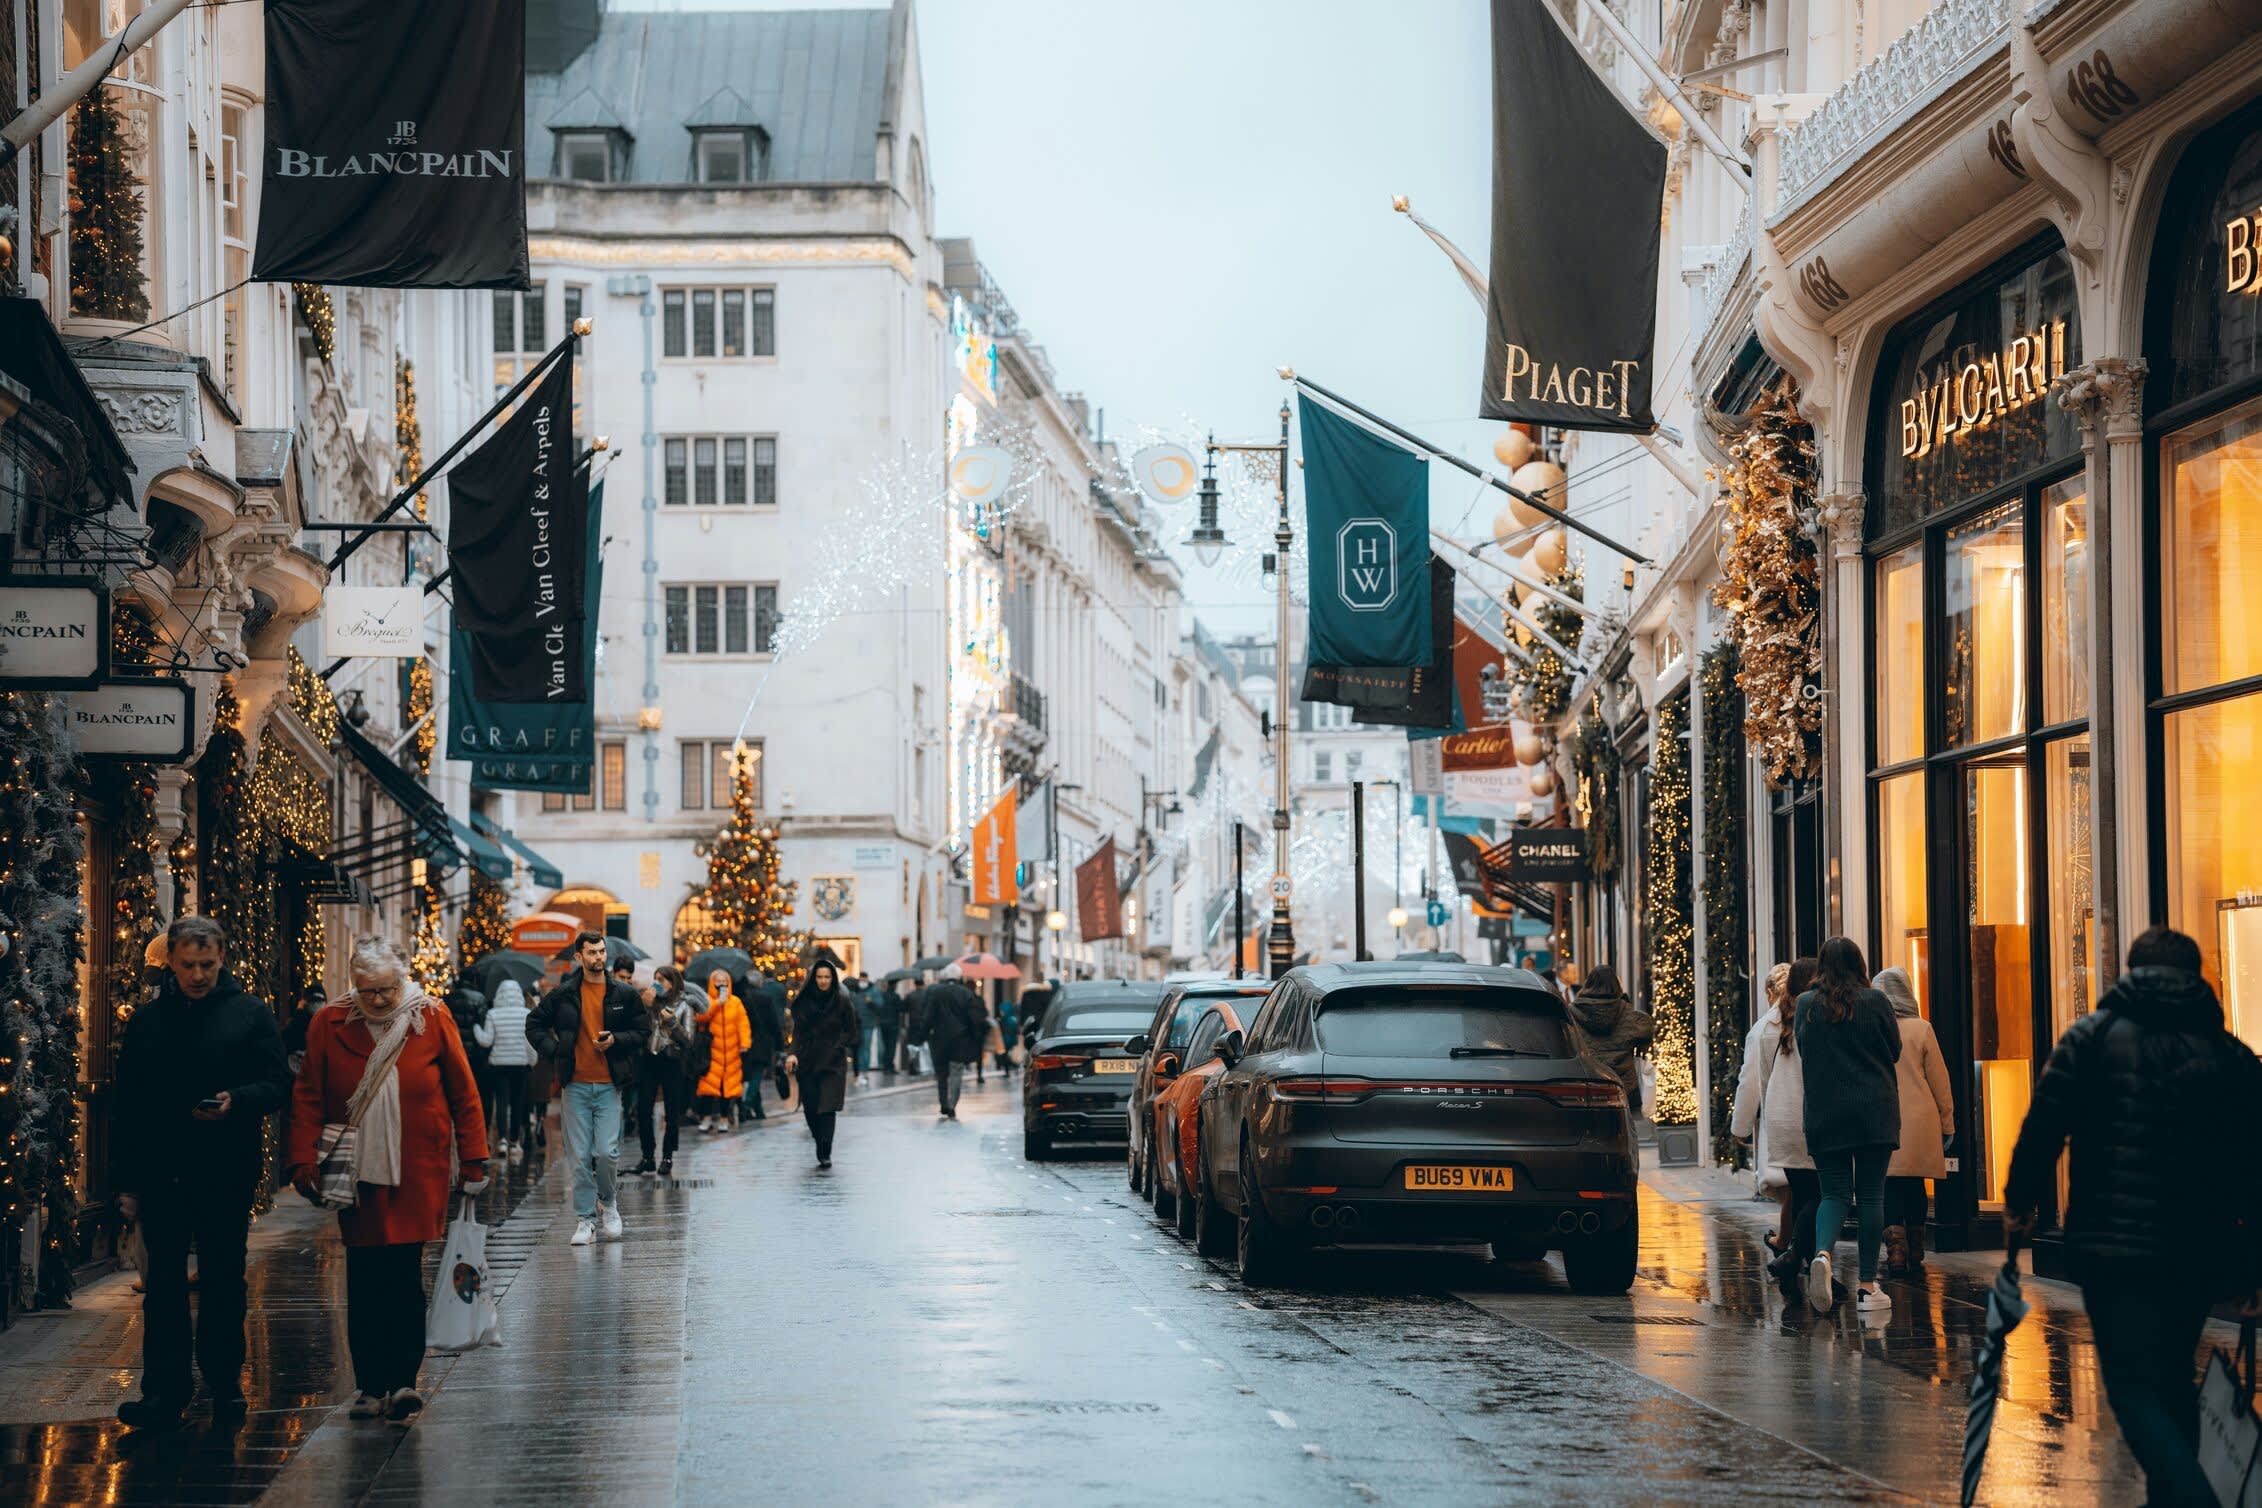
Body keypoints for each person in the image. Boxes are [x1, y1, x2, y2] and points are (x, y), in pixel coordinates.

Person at [2005, 926, 2262, 1507]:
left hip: (2111, 1246)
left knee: (2131, 1387)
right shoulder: (2231, 1056)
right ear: (2198, 977)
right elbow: (2254, 1166)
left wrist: (2020, 1203)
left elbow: (2044, 1125)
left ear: (2130, 970)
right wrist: (2250, 1265)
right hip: (2199, 1248)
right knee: (2173, 1378)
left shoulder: (2091, 1039)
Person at [287, 938, 487, 1423]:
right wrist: (301, 1160)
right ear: (353, 986)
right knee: (364, 1275)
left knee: (402, 1273)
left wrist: (475, 1159)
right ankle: (368, 1386)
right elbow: (310, 1093)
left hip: (417, 1168)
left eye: (387, 989)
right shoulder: (329, 1022)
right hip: (357, 1171)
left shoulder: (431, 1017)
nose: (378, 1000)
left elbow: (463, 1091)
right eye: (368, 991)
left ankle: (402, 1382)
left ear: (403, 980)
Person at [111, 916, 293, 1430]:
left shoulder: (249, 1014)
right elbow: (130, 1105)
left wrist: (238, 1101)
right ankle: (164, 1392)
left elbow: (278, 1083)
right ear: (170, 961)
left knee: (222, 1280)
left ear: (222, 959)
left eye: (206, 965)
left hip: (224, 1169)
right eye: (188, 965)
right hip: (163, 1172)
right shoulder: (148, 1021)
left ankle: (224, 1383)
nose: (197, 974)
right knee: (163, 1284)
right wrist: (126, 1183)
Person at [1795, 937, 1901, 1316]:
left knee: (1833, 1194)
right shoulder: (1876, 1002)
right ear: (1860, 964)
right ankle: (1868, 1287)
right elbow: (1895, 1049)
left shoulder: (1806, 1006)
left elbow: (1805, 1052)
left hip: (1825, 1114)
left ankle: (1822, 1253)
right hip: (1874, 1111)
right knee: (1871, 1196)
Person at [525, 932, 646, 1247]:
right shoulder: (563, 994)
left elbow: (642, 1031)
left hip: (608, 1085)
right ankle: (584, 1220)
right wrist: (555, 1051)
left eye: (602, 951)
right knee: (579, 1157)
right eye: (592, 952)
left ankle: (609, 1203)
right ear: (578, 957)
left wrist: (616, 1040)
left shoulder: (622, 993)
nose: (598, 957)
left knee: (607, 1152)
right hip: (575, 1085)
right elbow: (533, 1024)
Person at [1871, 965, 1952, 1277]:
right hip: (1921, 1118)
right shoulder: (1923, 1028)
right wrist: (1948, 1122)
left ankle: (1896, 1252)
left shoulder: (1875, 1029)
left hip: (1886, 1116)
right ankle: (1917, 1245)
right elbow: (1939, 1081)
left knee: (1890, 1183)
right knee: (1916, 1183)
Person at [787, 960, 859, 1167]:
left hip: (832, 1063)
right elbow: (798, 1033)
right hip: (808, 1061)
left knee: (827, 1107)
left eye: (827, 977)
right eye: (819, 977)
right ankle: (819, 1138)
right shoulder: (804, 1002)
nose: (823, 981)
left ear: (833, 978)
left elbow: (852, 1032)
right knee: (810, 1107)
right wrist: (792, 1054)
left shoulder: (842, 1001)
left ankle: (825, 1151)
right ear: (813, 978)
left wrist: (838, 1044)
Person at [634, 966, 697, 1174]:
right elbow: (638, 1028)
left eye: (662, 979)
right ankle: (647, 1156)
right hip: (649, 1060)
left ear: (673, 982)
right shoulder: (649, 1002)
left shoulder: (684, 1006)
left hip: (672, 1061)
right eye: (655, 979)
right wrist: (644, 1007)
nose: (657, 983)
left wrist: (671, 1021)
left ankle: (668, 1156)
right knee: (643, 1109)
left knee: (672, 1112)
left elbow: (688, 1040)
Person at [1568, 965, 1655, 1113]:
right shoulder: (1628, 1014)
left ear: (1588, 984)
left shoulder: (1571, 1013)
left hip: (1586, 1086)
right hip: (1624, 1088)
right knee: (1628, 1133)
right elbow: (1646, 1029)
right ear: (1616, 985)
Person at [921, 966, 990, 1121]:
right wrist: (975, 1036)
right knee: (956, 1072)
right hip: (960, 1039)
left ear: (945, 977)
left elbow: (928, 1017)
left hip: (939, 1038)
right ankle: (952, 1105)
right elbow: (973, 1018)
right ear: (959, 977)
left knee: (941, 1074)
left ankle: (943, 1102)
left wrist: (923, 1035)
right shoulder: (966, 993)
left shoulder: (936, 992)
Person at [694, 969, 751, 1132]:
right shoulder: (707, 1000)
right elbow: (700, 1017)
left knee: (727, 1088)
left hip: (731, 1052)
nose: (721, 983)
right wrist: (717, 1003)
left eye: (724, 980)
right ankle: (706, 1118)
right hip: (710, 1052)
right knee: (708, 1088)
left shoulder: (736, 1002)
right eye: (718, 981)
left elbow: (743, 1023)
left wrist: (745, 1042)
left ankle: (724, 1119)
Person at [484, 976, 533, 1162]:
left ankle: (502, 1140)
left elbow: (487, 1040)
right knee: (518, 1102)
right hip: (520, 1064)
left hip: (499, 1065)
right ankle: (514, 1141)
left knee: (502, 1103)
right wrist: (532, 1060)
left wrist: (475, 1030)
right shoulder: (526, 1014)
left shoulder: (493, 1014)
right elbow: (530, 1043)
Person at [742, 974, 782, 1121]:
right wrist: (779, 1045)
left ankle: (759, 1111)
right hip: (762, 1041)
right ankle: (746, 1105)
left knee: (753, 1074)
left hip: (746, 1040)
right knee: (757, 1075)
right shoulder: (765, 998)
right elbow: (774, 1022)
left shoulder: (742, 997)